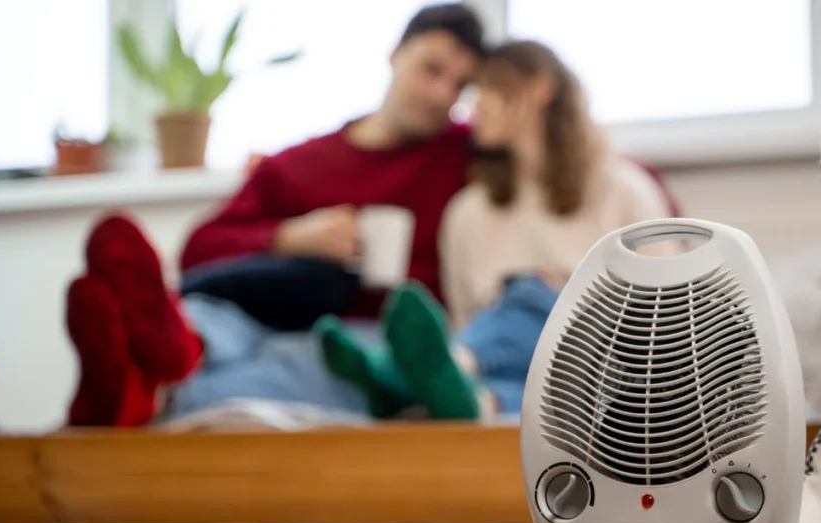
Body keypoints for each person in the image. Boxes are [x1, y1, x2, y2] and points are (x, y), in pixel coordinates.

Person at [64, 3, 487, 427]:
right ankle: (155, 358)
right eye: (431, 70)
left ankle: (140, 394)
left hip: (363, 332)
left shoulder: (468, 154)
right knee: (209, 319)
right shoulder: (298, 165)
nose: (442, 95)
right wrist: (290, 237)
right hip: (260, 311)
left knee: (317, 361)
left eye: (460, 86)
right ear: (396, 54)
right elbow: (199, 249)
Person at [313, 40, 681, 422]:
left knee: (531, 292)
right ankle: (473, 401)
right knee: (514, 384)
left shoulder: (622, 188)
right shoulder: (468, 212)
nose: (474, 106)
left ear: (539, 88)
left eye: (488, 88)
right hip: (527, 373)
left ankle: (397, 375)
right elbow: (468, 318)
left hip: (601, 359)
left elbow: (667, 311)